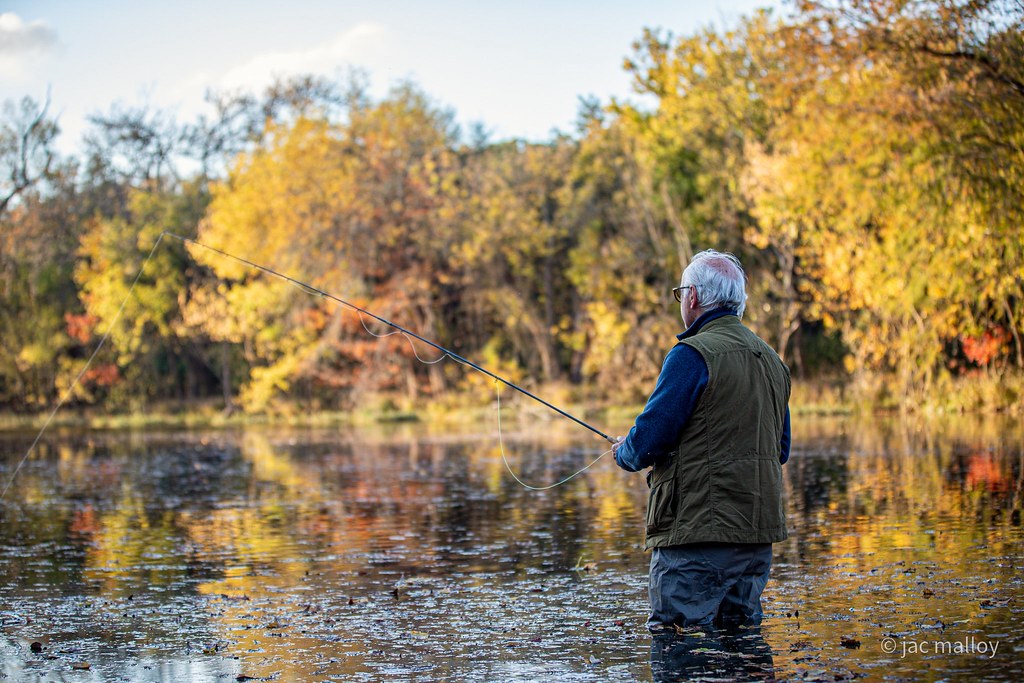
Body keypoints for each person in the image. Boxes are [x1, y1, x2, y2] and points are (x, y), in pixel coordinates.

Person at [612, 249, 791, 632]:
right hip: (757, 538)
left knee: (677, 641)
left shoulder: (691, 355)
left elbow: (648, 441)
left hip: (697, 538)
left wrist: (623, 451)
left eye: (681, 294)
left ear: (692, 297)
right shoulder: (772, 360)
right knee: (743, 644)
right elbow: (782, 449)